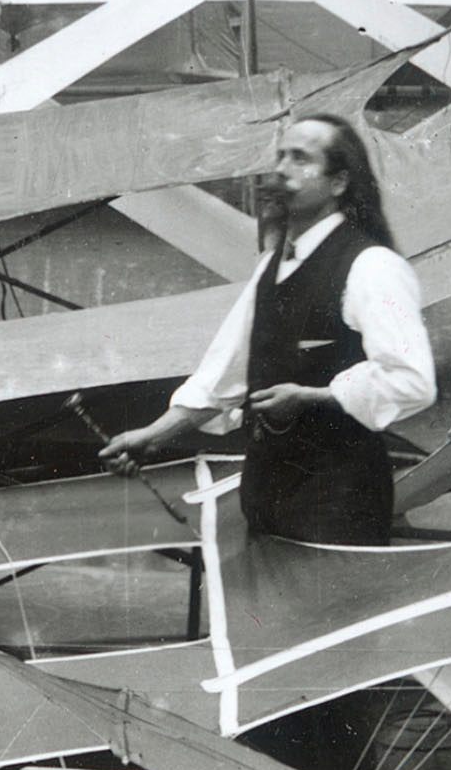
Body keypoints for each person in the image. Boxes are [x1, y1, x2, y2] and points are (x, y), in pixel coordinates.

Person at [98, 114, 431, 542]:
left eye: (300, 158)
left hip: (338, 500)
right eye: (280, 155)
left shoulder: (372, 267)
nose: (281, 168)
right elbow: (227, 375)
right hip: (267, 492)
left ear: (339, 182)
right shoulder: (273, 267)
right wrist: (151, 437)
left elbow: (412, 380)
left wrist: (317, 397)